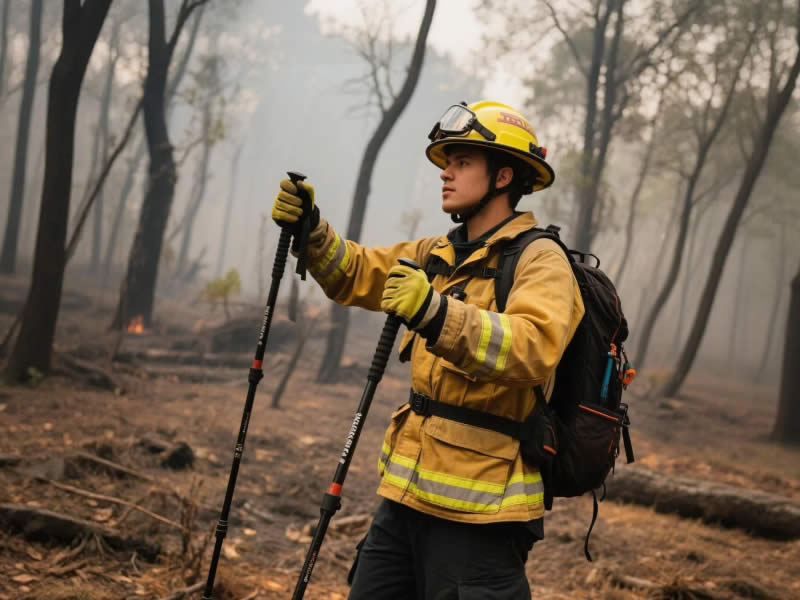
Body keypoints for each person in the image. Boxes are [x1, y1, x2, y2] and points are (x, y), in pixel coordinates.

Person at [272, 101, 585, 599]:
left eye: (462, 161)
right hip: (405, 496)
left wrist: (436, 313)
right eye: (446, 161)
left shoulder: (540, 260)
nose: (445, 172)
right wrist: (312, 231)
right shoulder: (437, 254)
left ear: (504, 176)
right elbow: (357, 272)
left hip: (482, 515)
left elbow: (534, 347)